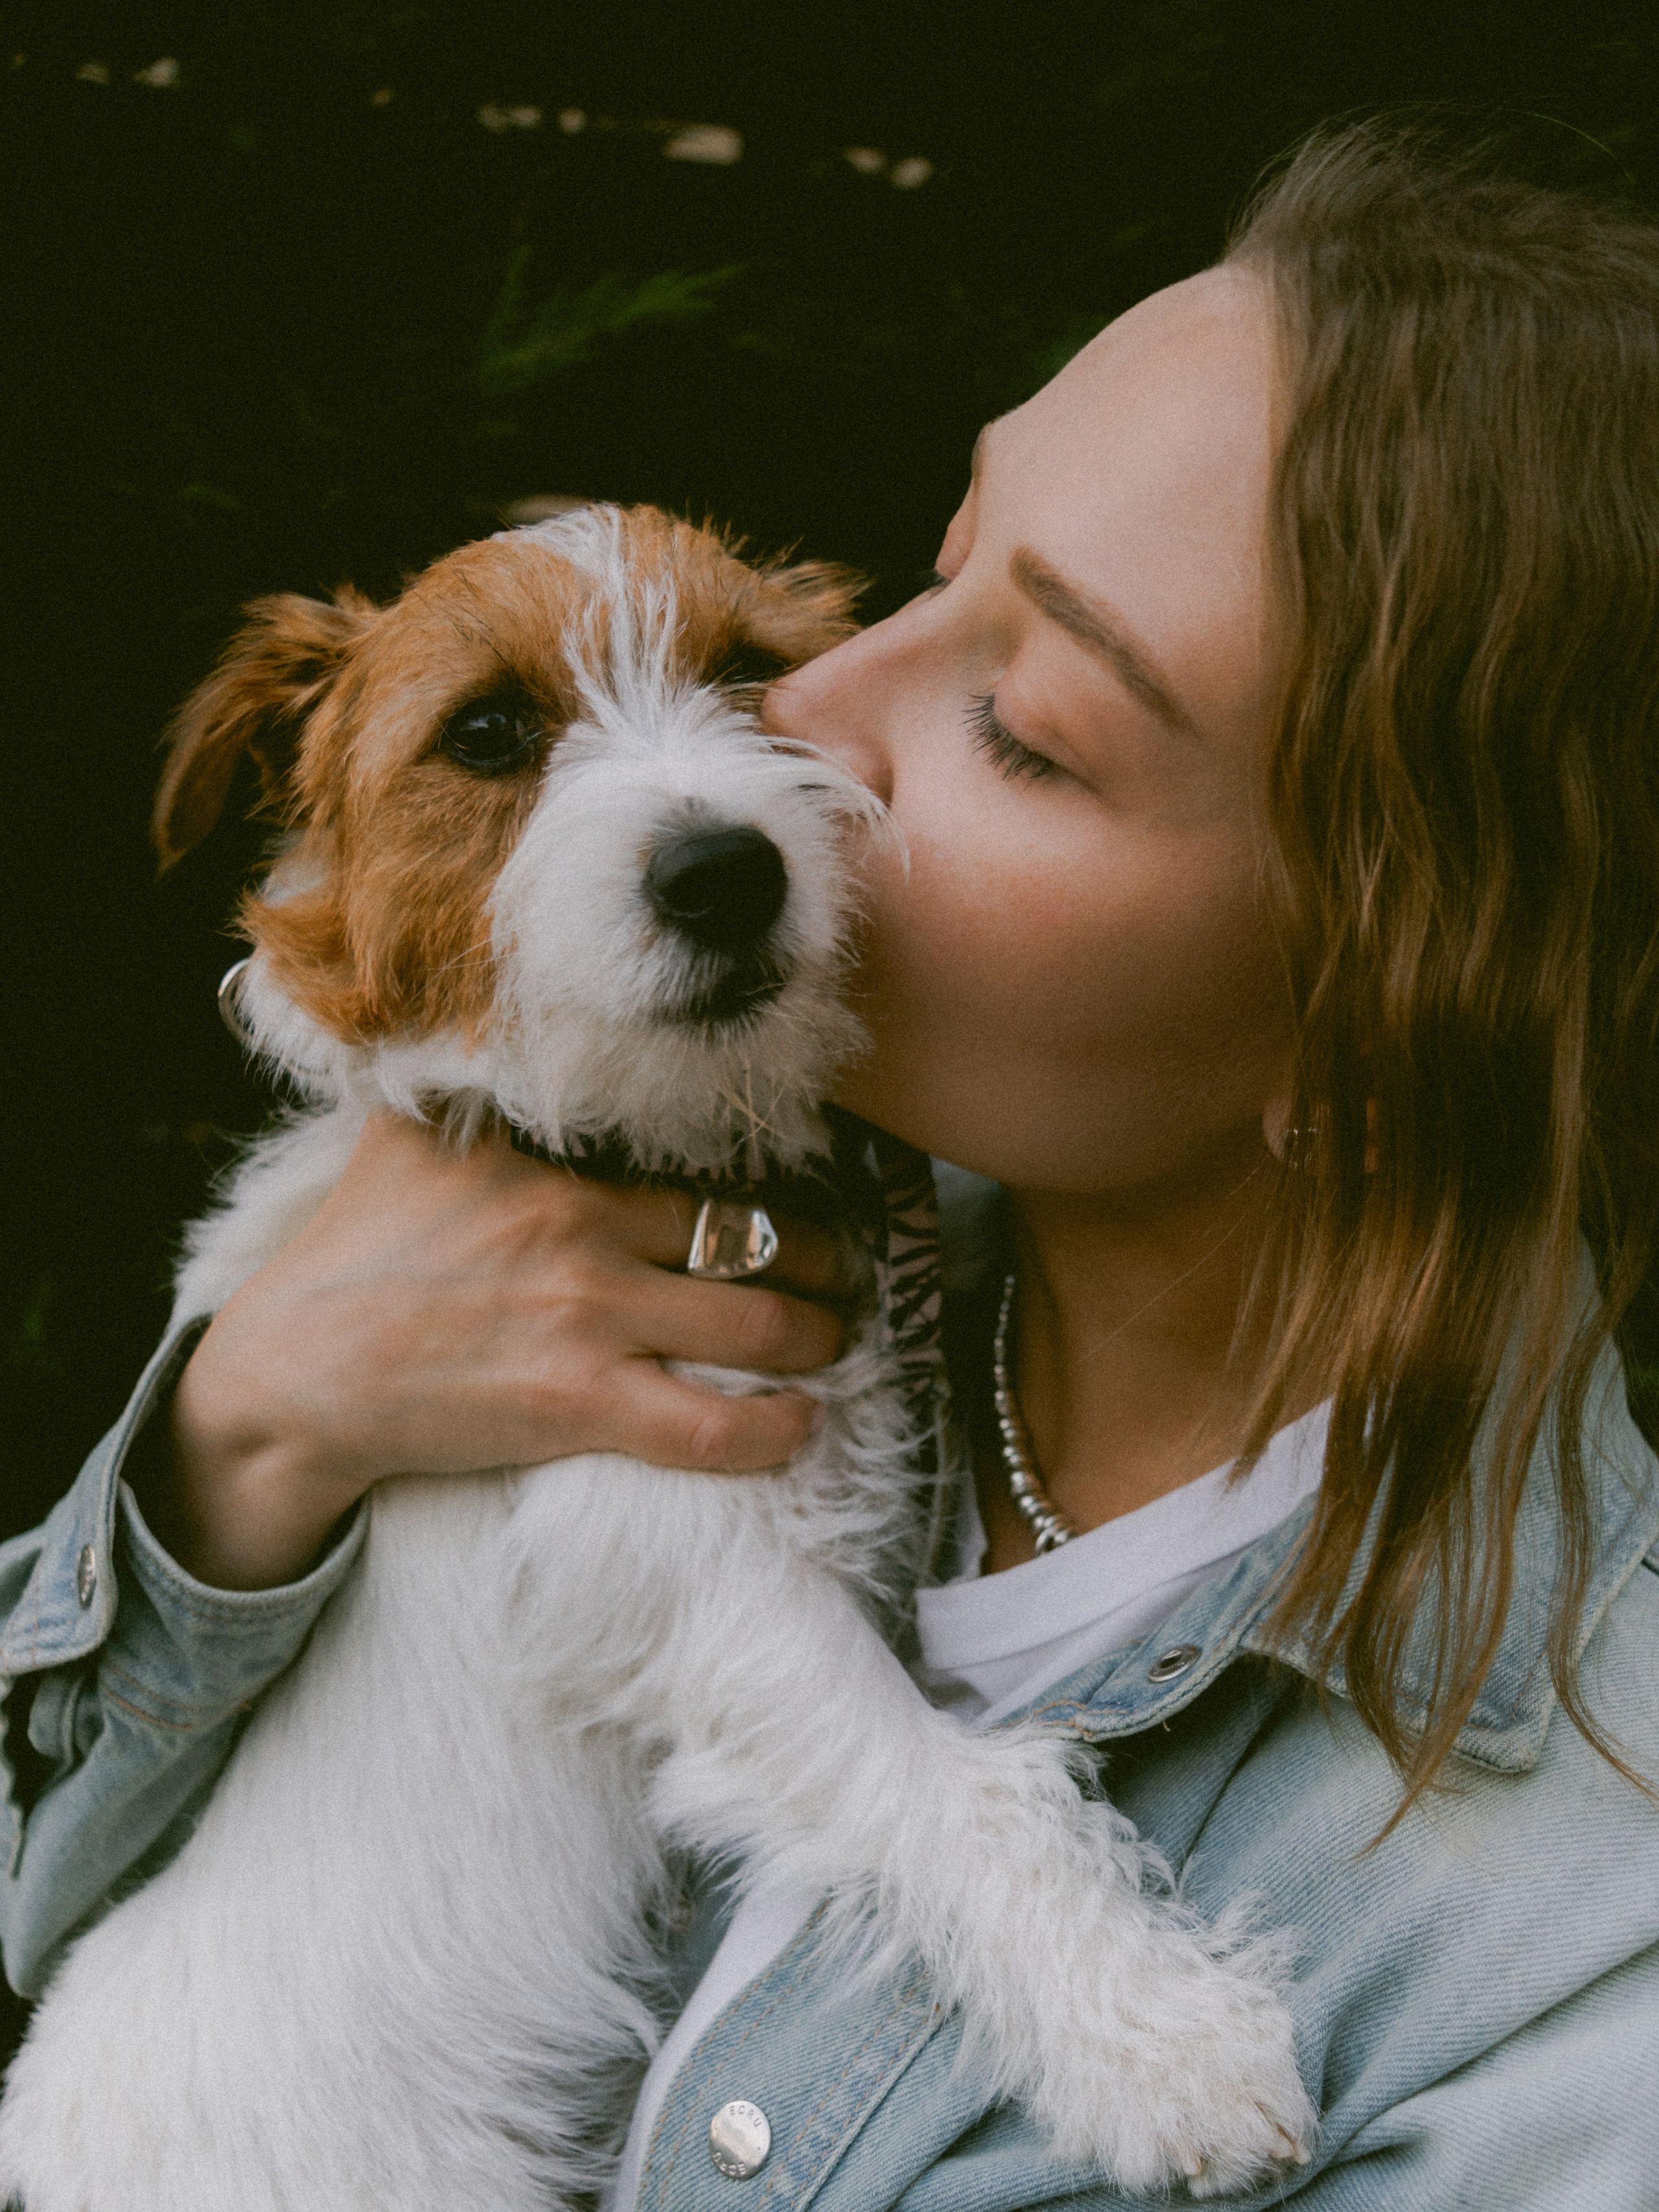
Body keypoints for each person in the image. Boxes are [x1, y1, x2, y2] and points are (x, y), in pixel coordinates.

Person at [5, 115, 1659, 2209]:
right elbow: (40, 1854)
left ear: (1375, 1035)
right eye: (940, 557)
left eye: (1034, 726)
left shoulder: (1582, 1968)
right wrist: (234, 1448)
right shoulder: (529, 1270)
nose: (814, 717)